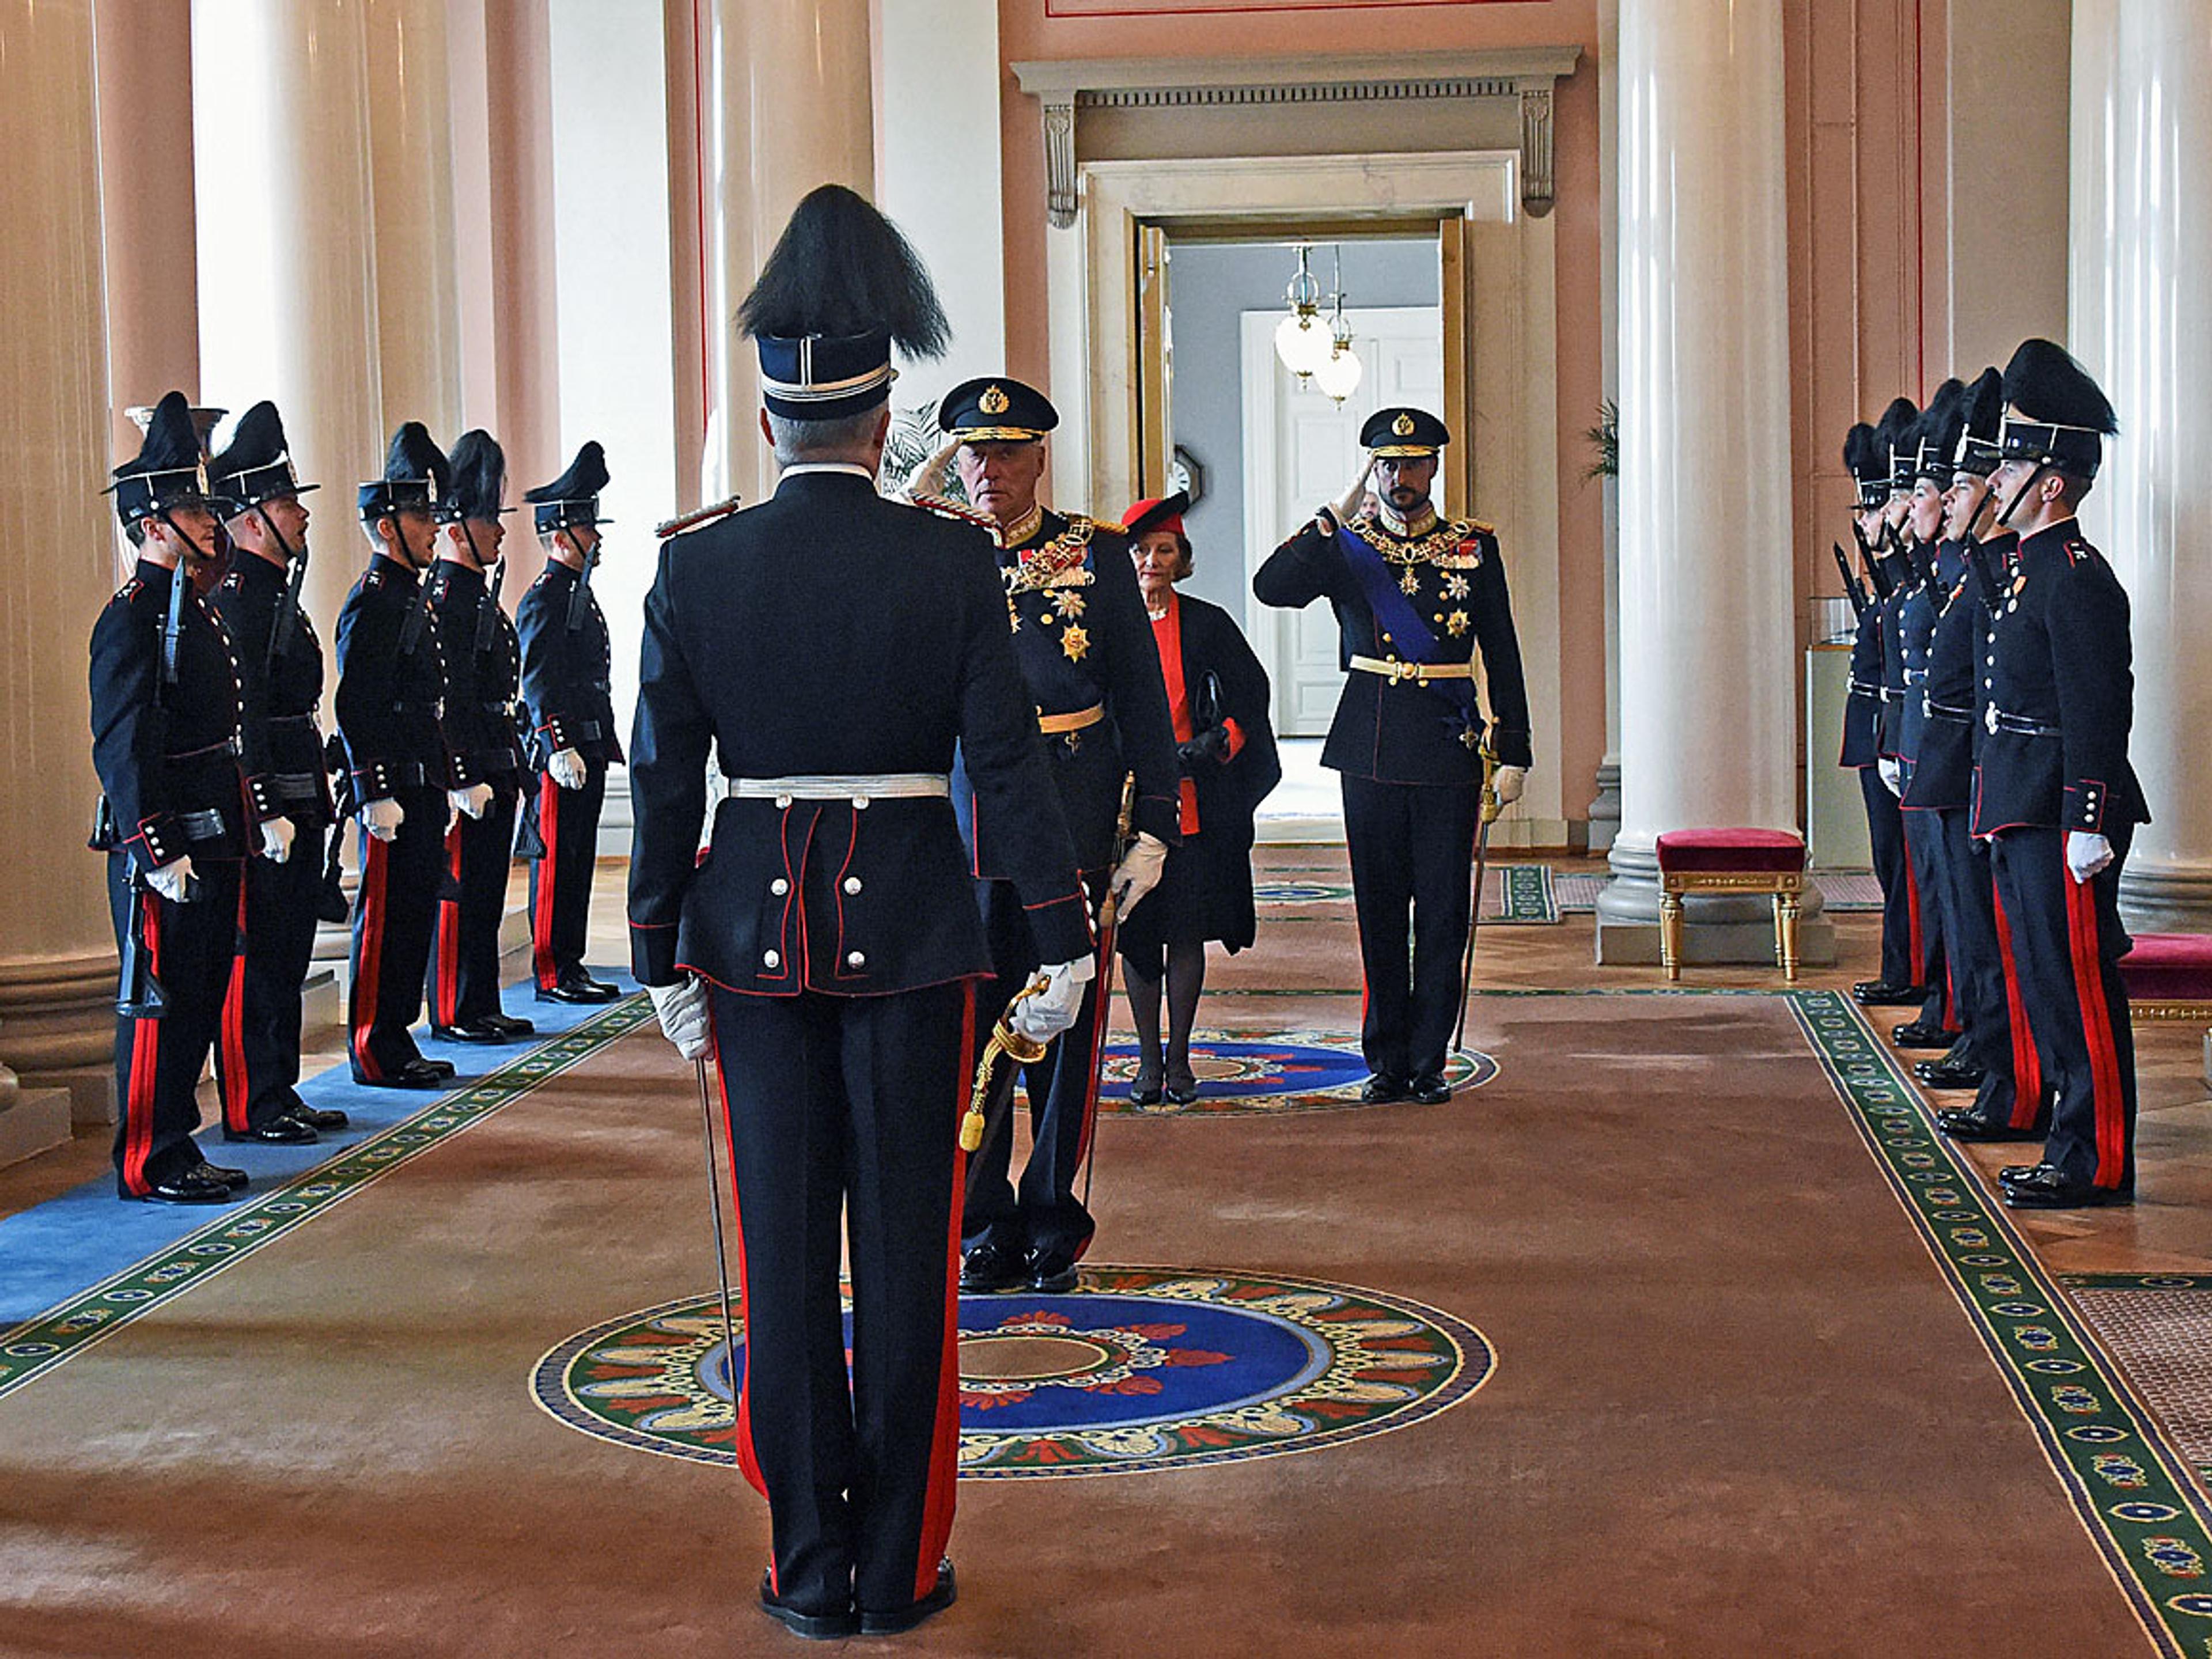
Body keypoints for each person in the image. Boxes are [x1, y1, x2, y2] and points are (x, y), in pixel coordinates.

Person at [630, 184, 1092, 1639]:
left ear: (769, 414)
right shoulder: (950, 557)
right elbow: (1005, 764)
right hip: (914, 940)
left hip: (749, 953)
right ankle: (898, 1568)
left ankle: (806, 1571)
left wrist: (657, 956)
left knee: (781, 1266)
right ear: (884, 406)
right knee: (905, 1262)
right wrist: (1064, 935)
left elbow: (661, 780)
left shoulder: (692, 566)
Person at [918, 376, 1181, 1298]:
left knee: (1065, 1034)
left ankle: (1051, 1218)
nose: (988, 471)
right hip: (961, 828)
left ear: (1040, 458)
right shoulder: (933, 551)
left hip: (1073, 824)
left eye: (1006, 453)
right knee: (970, 1033)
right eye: (972, 454)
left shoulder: (1098, 555)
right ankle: (982, 1218)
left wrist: (1154, 825)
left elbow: (1143, 702)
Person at [1253, 407, 1531, 1105]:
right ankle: (1385, 1058)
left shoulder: (1472, 548)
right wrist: (1332, 516)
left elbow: (1502, 649)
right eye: (1385, 465)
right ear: (1369, 469)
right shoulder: (1348, 548)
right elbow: (1272, 587)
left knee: (1441, 910)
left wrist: (1515, 748)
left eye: (1410, 464)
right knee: (1378, 909)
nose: (1398, 477)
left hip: (1447, 745)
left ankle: (1429, 1059)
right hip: (1369, 744)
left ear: (1434, 466)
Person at [1973, 339, 2146, 1209]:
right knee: (2043, 980)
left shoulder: (2076, 578)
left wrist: (2089, 816)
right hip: (2023, 804)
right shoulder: (2025, 572)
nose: (1997, 477)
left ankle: (2099, 1155)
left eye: (2013, 461)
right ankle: (2065, 1136)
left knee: (2078, 985)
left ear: (2052, 481)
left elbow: (2096, 709)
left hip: (2061, 812)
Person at [89, 391, 251, 1202]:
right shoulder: (132, 619)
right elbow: (121, 746)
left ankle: (178, 1143)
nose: (210, 519)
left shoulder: (194, 608)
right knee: (160, 1003)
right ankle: (148, 1156)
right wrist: (155, 846)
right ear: (153, 523)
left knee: (198, 994)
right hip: (170, 840)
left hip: (214, 827)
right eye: (191, 507)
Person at [1906, 366, 2052, 1142]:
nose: (1965, 498)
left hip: (1995, 785)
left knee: (2010, 953)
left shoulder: (2023, 576)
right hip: (1974, 781)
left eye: (1967, 488)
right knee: (1978, 936)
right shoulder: (1978, 577)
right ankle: (1998, 1069)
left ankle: (2014, 1082)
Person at [206, 400, 349, 1144]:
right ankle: (251, 1102)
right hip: (269, 808)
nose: (303, 515)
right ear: (252, 517)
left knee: (287, 952)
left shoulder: (274, 596)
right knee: (258, 958)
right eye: (288, 502)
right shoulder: (238, 601)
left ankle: (278, 1090)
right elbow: (242, 717)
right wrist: (262, 806)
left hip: (301, 795)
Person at [1115, 490, 1280, 1105]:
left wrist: (1218, 743)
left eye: (1164, 551)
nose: (1152, 562)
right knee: (1137, 935)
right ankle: (1147, 1063)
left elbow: (1250, 700)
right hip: (1130, 805)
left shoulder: (1209, 624)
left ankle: (1180, 1060)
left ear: (1182, 559)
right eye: (1141, 552)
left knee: (1184, 930)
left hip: (1194, 804)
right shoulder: (1108, 622)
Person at [336, 423, 459, 1089]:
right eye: (419, 515)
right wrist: (372, 789)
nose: (433, 527)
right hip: (391, 788)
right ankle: (373, 1044)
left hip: (420, 783)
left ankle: (398, 1037)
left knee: (413, 913)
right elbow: (358, 705)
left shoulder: (411, 595)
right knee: (383, 922)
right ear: (387, 527)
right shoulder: (374, 601)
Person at [423, 430, 535, 1044]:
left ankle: (480, 999)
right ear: (457, 526)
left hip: (498, 758)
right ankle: (455, 1005)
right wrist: (460, 773)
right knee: (463, 893)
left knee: (489, 891)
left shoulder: (477, 599)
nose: (498, 530)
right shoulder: (443, 600)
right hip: (468, 767)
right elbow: (448, 699)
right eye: (488, 518)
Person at [518, 442, 621, 1005]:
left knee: (579, 858)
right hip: (564, 753)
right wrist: (557, 743)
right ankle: (553, 969)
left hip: (589, 743)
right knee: (558, 861)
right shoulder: (545, 600)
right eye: (587, 529)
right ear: (561, 538)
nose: (597, 539)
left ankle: (571, 963)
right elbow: (539, 680)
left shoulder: (576, 594)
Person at [1889, 387, 1967, 1053]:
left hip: (1963, 759)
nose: (1907, 508)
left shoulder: (1972, 569)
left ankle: (1966, 1026)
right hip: (1927, 744)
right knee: (1940, 898)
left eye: (1919, 495)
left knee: (1967, 914)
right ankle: (1954, 1015)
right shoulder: (1940, 567)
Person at [1839, 417, 1918, 1006]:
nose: (1868, 523)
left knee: (1910, 873)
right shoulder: (1893, 581)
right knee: (1893, 868)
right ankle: (1902, 967)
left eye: (1875, 508)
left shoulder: (1911, 581)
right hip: (1879, 731)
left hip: (1903, 735)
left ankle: (1912, 972)